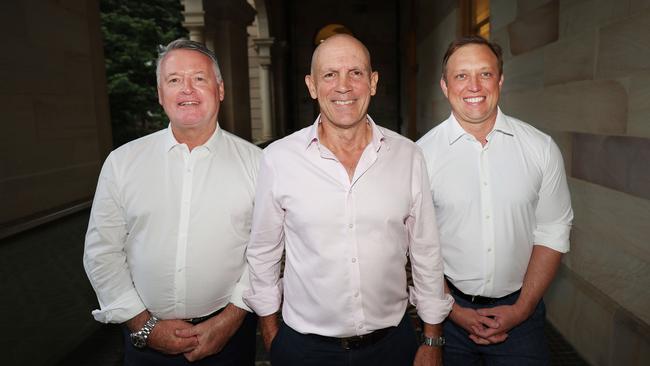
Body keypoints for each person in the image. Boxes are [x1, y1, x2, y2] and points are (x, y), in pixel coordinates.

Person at [243, 34, 453, 366]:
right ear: (312, 86)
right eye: (330, 74)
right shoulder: (278, 159)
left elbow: (426, 251)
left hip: (392, 346)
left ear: (372, 82)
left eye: (355, 73)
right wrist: (272, 335)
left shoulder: (408, 156)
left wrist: (432, 338)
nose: (344, 86)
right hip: (304, 349)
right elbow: (263, 253)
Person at [83, 39, 261, 365]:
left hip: (230, 338)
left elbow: (265, 251)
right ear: (160, 94)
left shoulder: (259, 164)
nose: (187, 90)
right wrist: (144, 325)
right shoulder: (122, 163)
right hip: (144, 342)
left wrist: (230, 319)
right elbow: (102, 252)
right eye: (174, 80)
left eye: (199, 78)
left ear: (220, 89)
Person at [417, 35, 573, 365]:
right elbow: (416, 246)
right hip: (448, 317)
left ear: (500, 80)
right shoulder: (420, 157)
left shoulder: (540, 149)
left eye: (485, 74)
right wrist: (454, 310)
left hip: (523, 317)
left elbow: (552, 230)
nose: (474, 86)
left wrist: (522, 308)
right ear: (445, 86)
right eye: (461, 75)